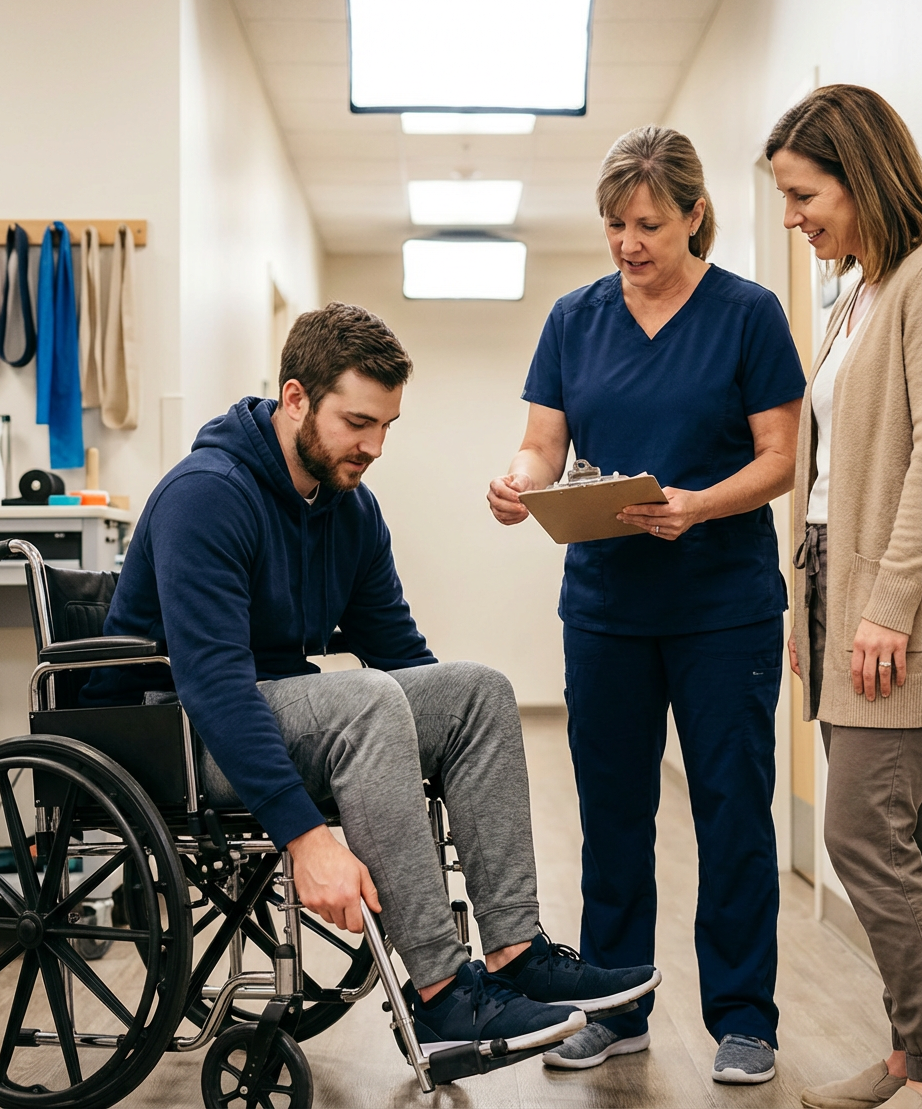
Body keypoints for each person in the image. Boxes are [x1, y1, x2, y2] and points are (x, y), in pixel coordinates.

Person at [81, 301, 660, 1058]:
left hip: (270, 711)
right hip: (176, 731)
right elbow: (215, 684)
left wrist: (444, 732)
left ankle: (516, 953)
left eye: (386, 425)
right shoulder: (208, 493)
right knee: (365, 700)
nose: (375, 445)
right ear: (296, 399)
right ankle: (441, 994)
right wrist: (305, 836)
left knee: (475, 689)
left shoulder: (349, 508)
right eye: (358, 422)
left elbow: (399, 651)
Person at [488, 125, 807, 1083]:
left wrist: (700, 506)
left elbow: (782, 459)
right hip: (606, 607)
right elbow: (543, 445)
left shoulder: (748, 314)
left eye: (650, 225)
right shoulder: (573, 319)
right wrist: (517, 482)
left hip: (725, 608)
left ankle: (745, 1019)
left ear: (695, 216)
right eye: (615, 225)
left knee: (731, 811)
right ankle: (617, 1007)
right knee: (614, 812)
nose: (629, 244)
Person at [766, 85, 922, 1109]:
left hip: (885, 598)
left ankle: (918, 1047)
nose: (793, 218)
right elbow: (826, 470)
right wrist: (804, 601)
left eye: (803, 194)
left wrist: (887, 603)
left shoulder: (918, 282)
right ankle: (911, 1050)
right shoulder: (855, 290)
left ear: (858, 175)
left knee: (861, 832)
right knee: (890, 829)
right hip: (834, 587)